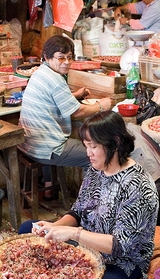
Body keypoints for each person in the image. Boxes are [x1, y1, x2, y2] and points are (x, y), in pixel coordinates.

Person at [20, 110, 159, 279]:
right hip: (88, 244)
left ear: (115, 144)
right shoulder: (95, 171)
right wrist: (55, 226)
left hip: (124, 259)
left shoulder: (139, 187)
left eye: (94, 146)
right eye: (86, 146)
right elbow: (79, 210)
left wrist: (73, 233)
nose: (89, 153)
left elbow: (120, 245)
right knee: (29, 230)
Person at [17, 35, 113, 198]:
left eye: (69, 58)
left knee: (50, 134)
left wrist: (75, 95)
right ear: (47, 57)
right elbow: (77, 112)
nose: (67, 62)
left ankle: (48, 187)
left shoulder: (41, 73)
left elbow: (54, 99)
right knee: (98, 155)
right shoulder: (55, 79)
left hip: (27, 144)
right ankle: (90, 202)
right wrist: (102, 105)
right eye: (61, 58)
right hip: (43, 149)